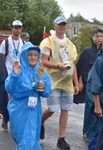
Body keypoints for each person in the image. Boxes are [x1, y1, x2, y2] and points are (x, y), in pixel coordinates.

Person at [39, 16, 79, 149]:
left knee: (65, 109)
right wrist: (58, 66)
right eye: (59, 24)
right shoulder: (48, 41)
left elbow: (73, 64)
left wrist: (76, 83)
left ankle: (61, 138)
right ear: (54, 25)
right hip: (54, 80)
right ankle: (41, 121)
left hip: (67, 82)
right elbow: (43, 61)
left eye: (64, 24)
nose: (62, 26)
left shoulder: (69, 43)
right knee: (52, 109)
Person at [5, 42, 51, 150]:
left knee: (32, 138)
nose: (33, 57)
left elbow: (46, 93)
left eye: (35, 55)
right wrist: (14, 75)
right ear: (25, 56)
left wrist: (43, 87)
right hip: (19, 108)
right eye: (30, 55)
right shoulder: (18, 69)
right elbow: (9, 88)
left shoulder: (41, 71)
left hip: (34, 109)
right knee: (22, 138)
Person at [0, 20, 24, 129]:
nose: (17, 30)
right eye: (15, 27)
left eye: (19, 28)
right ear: (11, 29)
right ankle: (6, 118)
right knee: (7, 98)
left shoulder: (23, 43)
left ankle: (13, 119)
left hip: (19, 74)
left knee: (17, 98)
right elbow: (0, 58)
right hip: (8, 74)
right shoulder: (6, 42)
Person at [74, 28, 103, 105]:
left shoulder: (101, 53)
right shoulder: (87, 51)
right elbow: (79, 67)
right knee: (87, 104)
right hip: (86, 83)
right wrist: (79, 82)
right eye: (97, 36)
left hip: (98, 83)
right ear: (93, 37)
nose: (99, 39)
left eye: (101, 36)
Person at [83, 49, 103, 150]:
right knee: (100, 137)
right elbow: (95, 85)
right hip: (101, 104)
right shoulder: (100, 61)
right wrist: (97, 106)